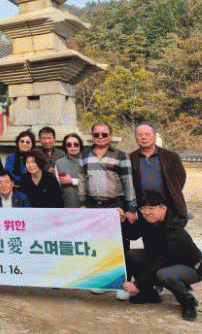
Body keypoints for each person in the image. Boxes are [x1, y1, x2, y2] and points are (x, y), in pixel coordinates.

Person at [122, 192, 202, 321]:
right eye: (143, 208)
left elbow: (162, 262)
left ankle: (188, 302)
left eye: (151, 208)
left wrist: (137, 285)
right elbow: (132, 235)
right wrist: (126, 221)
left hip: (192, 268)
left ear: (163, 208)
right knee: (131, 255)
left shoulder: (175, 230)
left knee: (164, 274)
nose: (146, 212)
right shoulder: (147, 221)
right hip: (163, 260)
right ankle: (149, 294)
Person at [80, 122, 136, 300]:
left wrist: (130, 207)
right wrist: (82, 203)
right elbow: (82, 180)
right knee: (99, 244)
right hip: (93, 205)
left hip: (115, 205)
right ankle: (104, 282)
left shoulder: (120, 155)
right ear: (92, 136)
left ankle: (124, 284)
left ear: (110, 136)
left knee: (120, 245)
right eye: (96, 134)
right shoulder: (85, 155)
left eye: (104, 134)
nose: (100, 138)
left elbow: (128, 182)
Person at [130, 123, 188, 225]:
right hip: (143, 208)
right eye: (139, 135)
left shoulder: (171, 156)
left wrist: (170, 196)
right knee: (147, 234)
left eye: (147, 134)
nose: (143, 137)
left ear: (154, 136)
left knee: (172, 232)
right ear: (135, 138)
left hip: (168, 206)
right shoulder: (131, 158)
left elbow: (180, 178)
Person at [54, 133, 84, 207]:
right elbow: (58, 185)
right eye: (69, 145)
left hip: (86, 205)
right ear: (65, 146)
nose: (72, 147)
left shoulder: (87, 161)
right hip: (67, 203)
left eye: (76, 144)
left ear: (80, 145)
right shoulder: (59, 163)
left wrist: (72, 181)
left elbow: (91, 183)